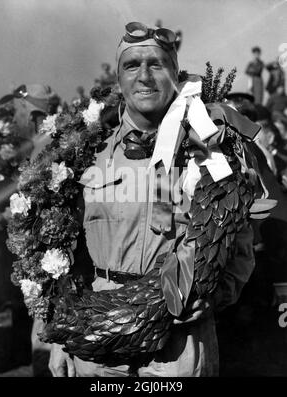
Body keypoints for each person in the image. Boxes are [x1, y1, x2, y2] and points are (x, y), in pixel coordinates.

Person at [49, 22, 260, 377]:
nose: (144, 76)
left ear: (176, 75)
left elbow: (240, 242)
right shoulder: (87, 151)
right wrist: (60, 338)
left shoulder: (210, 149)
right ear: (119, 80)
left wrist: (213, 294)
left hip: (178, 338)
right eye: (132, 65)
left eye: (156, 64)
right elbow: (61, 249)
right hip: (97, 331)